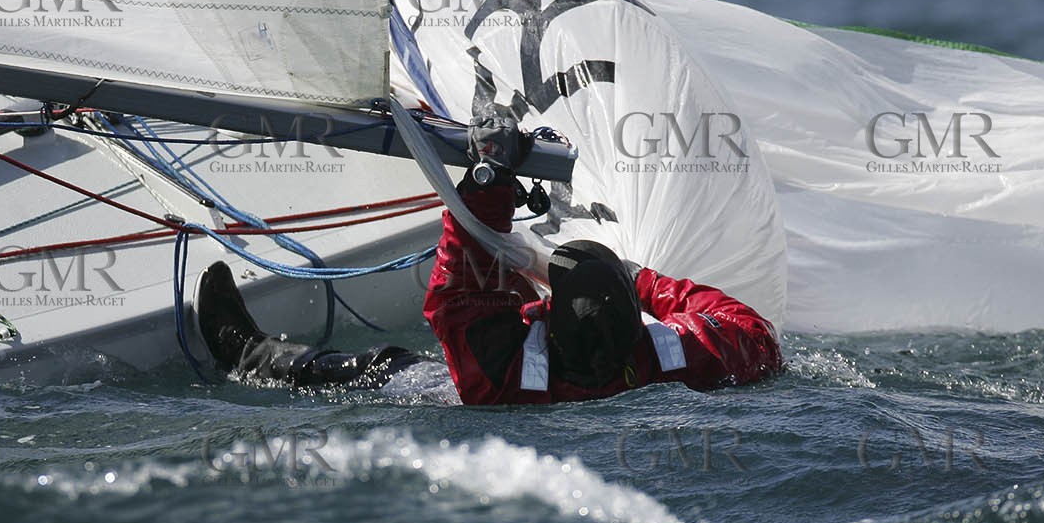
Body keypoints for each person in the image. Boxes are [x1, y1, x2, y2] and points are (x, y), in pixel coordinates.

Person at [193, 164, 784, 404]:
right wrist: (637, 281)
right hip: (582, 374)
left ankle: (247, 355)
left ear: (550, 322)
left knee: (381, 366)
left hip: (454, 400)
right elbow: (754, 331)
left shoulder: (506, 375)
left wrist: (485, 189)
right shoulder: (681, 356)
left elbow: (455, 298)